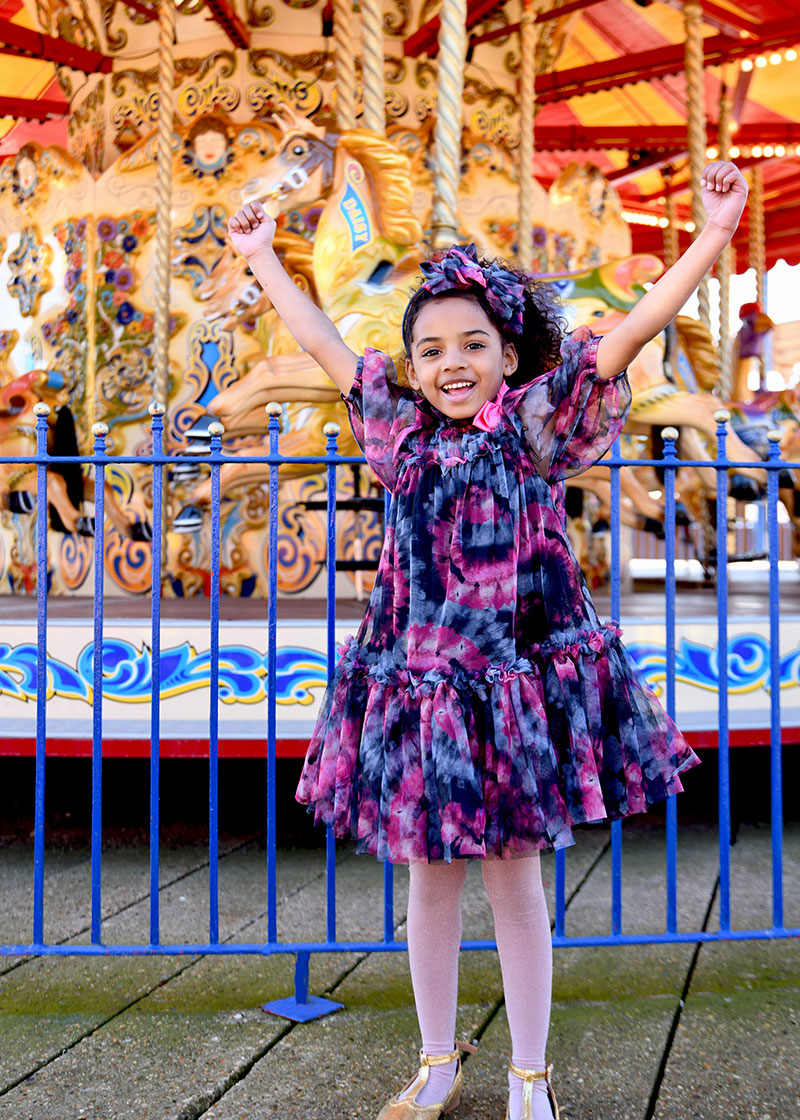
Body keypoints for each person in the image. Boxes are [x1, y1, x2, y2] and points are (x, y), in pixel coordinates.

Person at [228, 160, 747, 1120]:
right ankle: (435, 1060)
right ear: (413, 366)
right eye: (431, 350)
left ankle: (530, 1074)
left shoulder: (537, 427)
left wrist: (711, 239)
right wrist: (263, 258)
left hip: (512, 686)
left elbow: (626, 335)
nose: (451, 363)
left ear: (509, 356)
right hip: (424, 682)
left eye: (473, 344)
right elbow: (328, 344)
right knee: (429, 883)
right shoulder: (398, 431)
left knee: (515, 884)